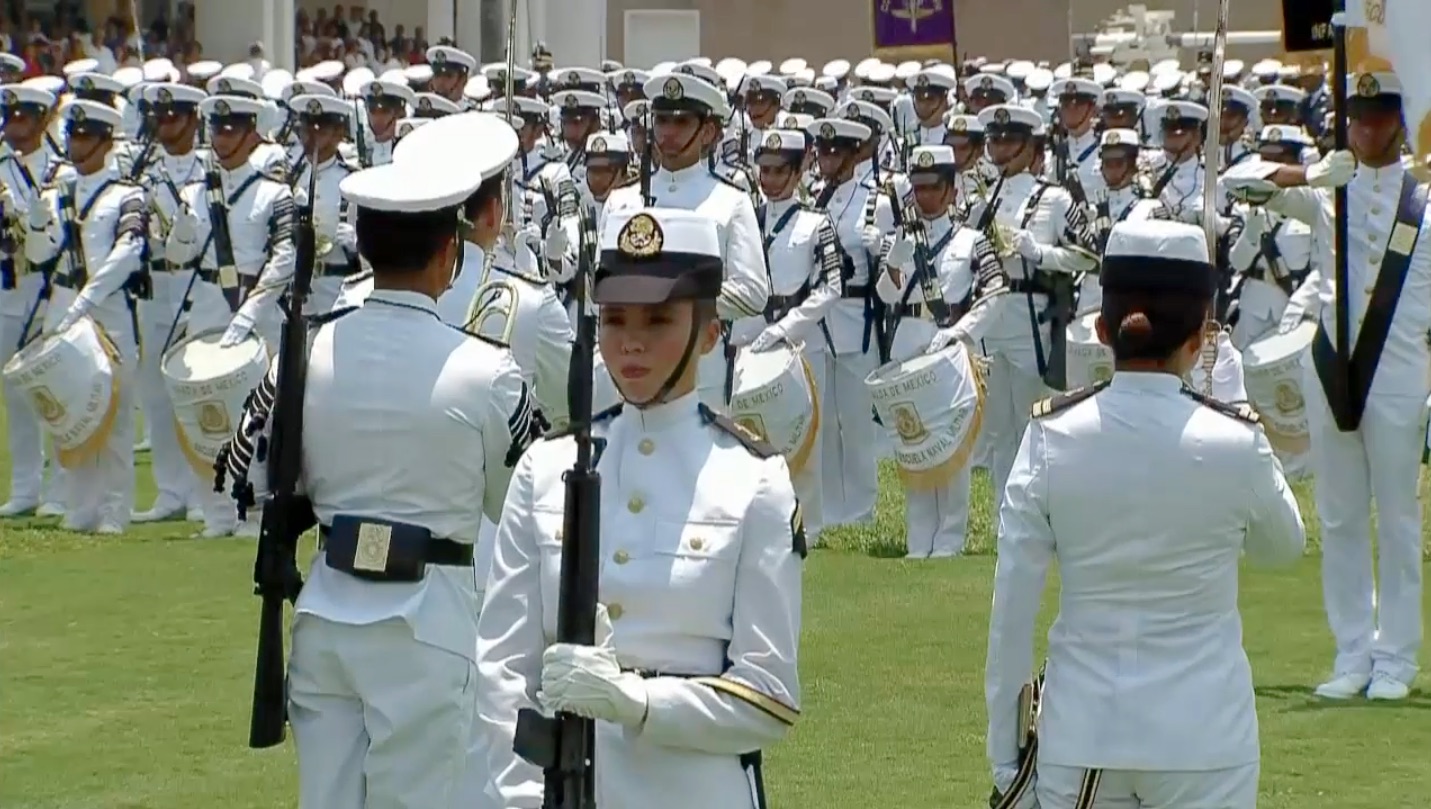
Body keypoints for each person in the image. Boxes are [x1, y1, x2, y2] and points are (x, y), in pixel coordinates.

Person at [218, 111, 536, 808]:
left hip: (327, 612)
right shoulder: (487, 370)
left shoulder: (304, 351)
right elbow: (509, 503)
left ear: (362, 246)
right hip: (427, 621)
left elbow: (245, 470)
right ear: (448, 253)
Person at [475, 207, 804, 808]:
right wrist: (522, 798)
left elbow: (769, 695)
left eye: (658, 320)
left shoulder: (754, 480)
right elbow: (504, 669)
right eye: (614, 318)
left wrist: (639, 702)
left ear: (710, 333)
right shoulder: (546, 468)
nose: (631, 341)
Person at [985, 220, 1305, 809]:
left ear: (1103, 330)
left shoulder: (1051, 435)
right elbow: (1282, 545)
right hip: (1205, 739)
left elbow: (1012, 609)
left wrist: (1006, 754)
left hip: (1083, 738)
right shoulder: (1235, 440)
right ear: (1201, 338)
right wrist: (1231, 405)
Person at [1228, 71, 1430, 702]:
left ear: (1399, 122)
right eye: (1357, 117)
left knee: (1397, 520)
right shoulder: (1328, 192)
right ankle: (1353, 653)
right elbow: (1239, 182)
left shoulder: (1423, 202)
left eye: (1378, 117)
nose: (1366, 128)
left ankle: (1396, 657)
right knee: (1340, 517)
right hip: (1333, 371)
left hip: (1399, 374)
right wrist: (1309, 175)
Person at [24, 100, 148, 534]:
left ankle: (114, 509)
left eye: (85, 138)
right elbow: (39, 256)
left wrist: (86, 300)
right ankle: (79, 505)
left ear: (105, 141)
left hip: (108, 312)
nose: (76, 146)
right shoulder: (57, 191)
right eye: (73, 136)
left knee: (114, 416)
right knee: (68, 413)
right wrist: (36, 225)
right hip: (62, 307)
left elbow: (128, 253)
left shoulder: (126, 194)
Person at [0, 82, 67, 518]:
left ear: (42, 121)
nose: (13, 125)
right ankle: (25, 487)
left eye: (23, 117)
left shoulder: (60, 170)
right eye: (10, 117)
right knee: (14, 393)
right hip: (9, 286)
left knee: (57, 391)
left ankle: (61, 488)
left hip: (51, 287)